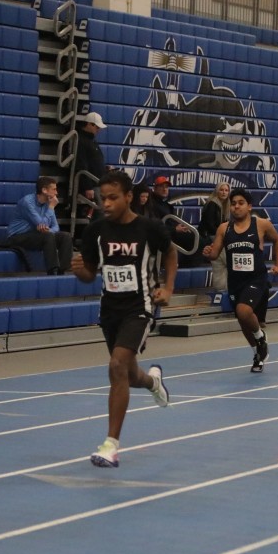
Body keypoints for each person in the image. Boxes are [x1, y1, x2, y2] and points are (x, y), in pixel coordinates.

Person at [71, 170, 177, 468]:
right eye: (103, 198)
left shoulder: (149, 228)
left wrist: (168, 288)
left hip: (140, 308)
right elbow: (90, 273)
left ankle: (110, 446)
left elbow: (170, 254)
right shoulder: (96, 231)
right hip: (110, 310)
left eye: (113, 198)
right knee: (128, 375)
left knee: (116, 365)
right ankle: (153, 382)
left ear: (129, 197)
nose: (106, 203)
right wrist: (80, 271)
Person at [202, 188, 278, 373]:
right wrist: (208, 252)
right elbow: (214, 254)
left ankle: (260, 337)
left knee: (243, 311)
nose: (236, 207)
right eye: (233, 204)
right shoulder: (224, 228)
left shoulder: (261, 224)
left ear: (249, 206)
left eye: (240, 203)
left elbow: (277, 240)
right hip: (235, 281)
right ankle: (258, 353)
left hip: (256, 278)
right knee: (243, 321)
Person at [7, 176, 73, 275]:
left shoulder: (48, 202)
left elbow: (56, 227)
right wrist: (51, 207)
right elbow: (42, 223)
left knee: (66, 236)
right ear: (44, 190)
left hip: (37, 235)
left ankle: (62, 271)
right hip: (18, 237)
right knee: (47, 236)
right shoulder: (27, 202)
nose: (56, 193)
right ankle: (52, 271)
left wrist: (47, 230)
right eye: (54, 189)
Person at [146, 175, 200, 265]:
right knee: (194, 239)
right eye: (161, 187)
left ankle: (191, 266)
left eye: (166, 187)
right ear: (155, 188)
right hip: (164, 235)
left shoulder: (165, 204)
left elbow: (172, 221)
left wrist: (180, 227)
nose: (164, 189)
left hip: (171, 232)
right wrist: (174, 229)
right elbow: (156, 225)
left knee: (198, 237)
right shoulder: (151, 204)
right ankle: (188, 266)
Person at [74, 112, 107, 218]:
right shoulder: (82, 141)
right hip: (92, 184)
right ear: (89, 124)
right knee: (101, 211)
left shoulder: (91, 141)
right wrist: (87, 186)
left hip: (97, 182)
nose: (99, 130)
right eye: (97, 127)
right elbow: (81, 164)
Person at [199, 182, 231, 290]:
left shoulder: (225, 206)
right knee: (226, 259)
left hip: (217, 236)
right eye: (221, 190)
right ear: (217, 191)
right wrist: (222, 236)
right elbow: (210, 226)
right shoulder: (212, 204)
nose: (224, 192)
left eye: (226, 190)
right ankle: (222, 288)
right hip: (210, 236)